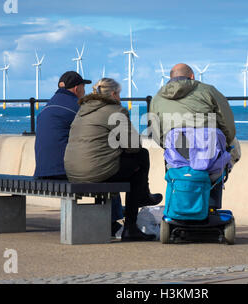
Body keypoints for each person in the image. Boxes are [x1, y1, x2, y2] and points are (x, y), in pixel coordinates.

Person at [64, 78, 163, 241]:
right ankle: (131, 226)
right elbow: (133, 145)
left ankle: (140, 200)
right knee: (141, 156)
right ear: (113, 93)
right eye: (119, 94)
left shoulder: (82, 110)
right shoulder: (115, 110)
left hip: (74, 172)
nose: (120, 98)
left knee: (127, 165)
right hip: (95, 171)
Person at [33, 71, 123, 236]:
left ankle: (112, 220)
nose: (85, 91)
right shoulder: (77, 107)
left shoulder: (48, 106)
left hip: (42, 171)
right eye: (83, 87)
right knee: (105, 172)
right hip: (62, 170)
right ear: (76, 88)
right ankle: (113, 222)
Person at [150, 63, 240, 209]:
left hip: (177, 155)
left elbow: (156, 133)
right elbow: (227, 123)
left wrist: (168, 146)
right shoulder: (208, 91)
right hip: (208, 154)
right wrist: (227, 142)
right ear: (192, 77)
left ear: (170, 77)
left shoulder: (157, 98)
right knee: (230, 149)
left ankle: (180, 200)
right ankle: (211, 199)